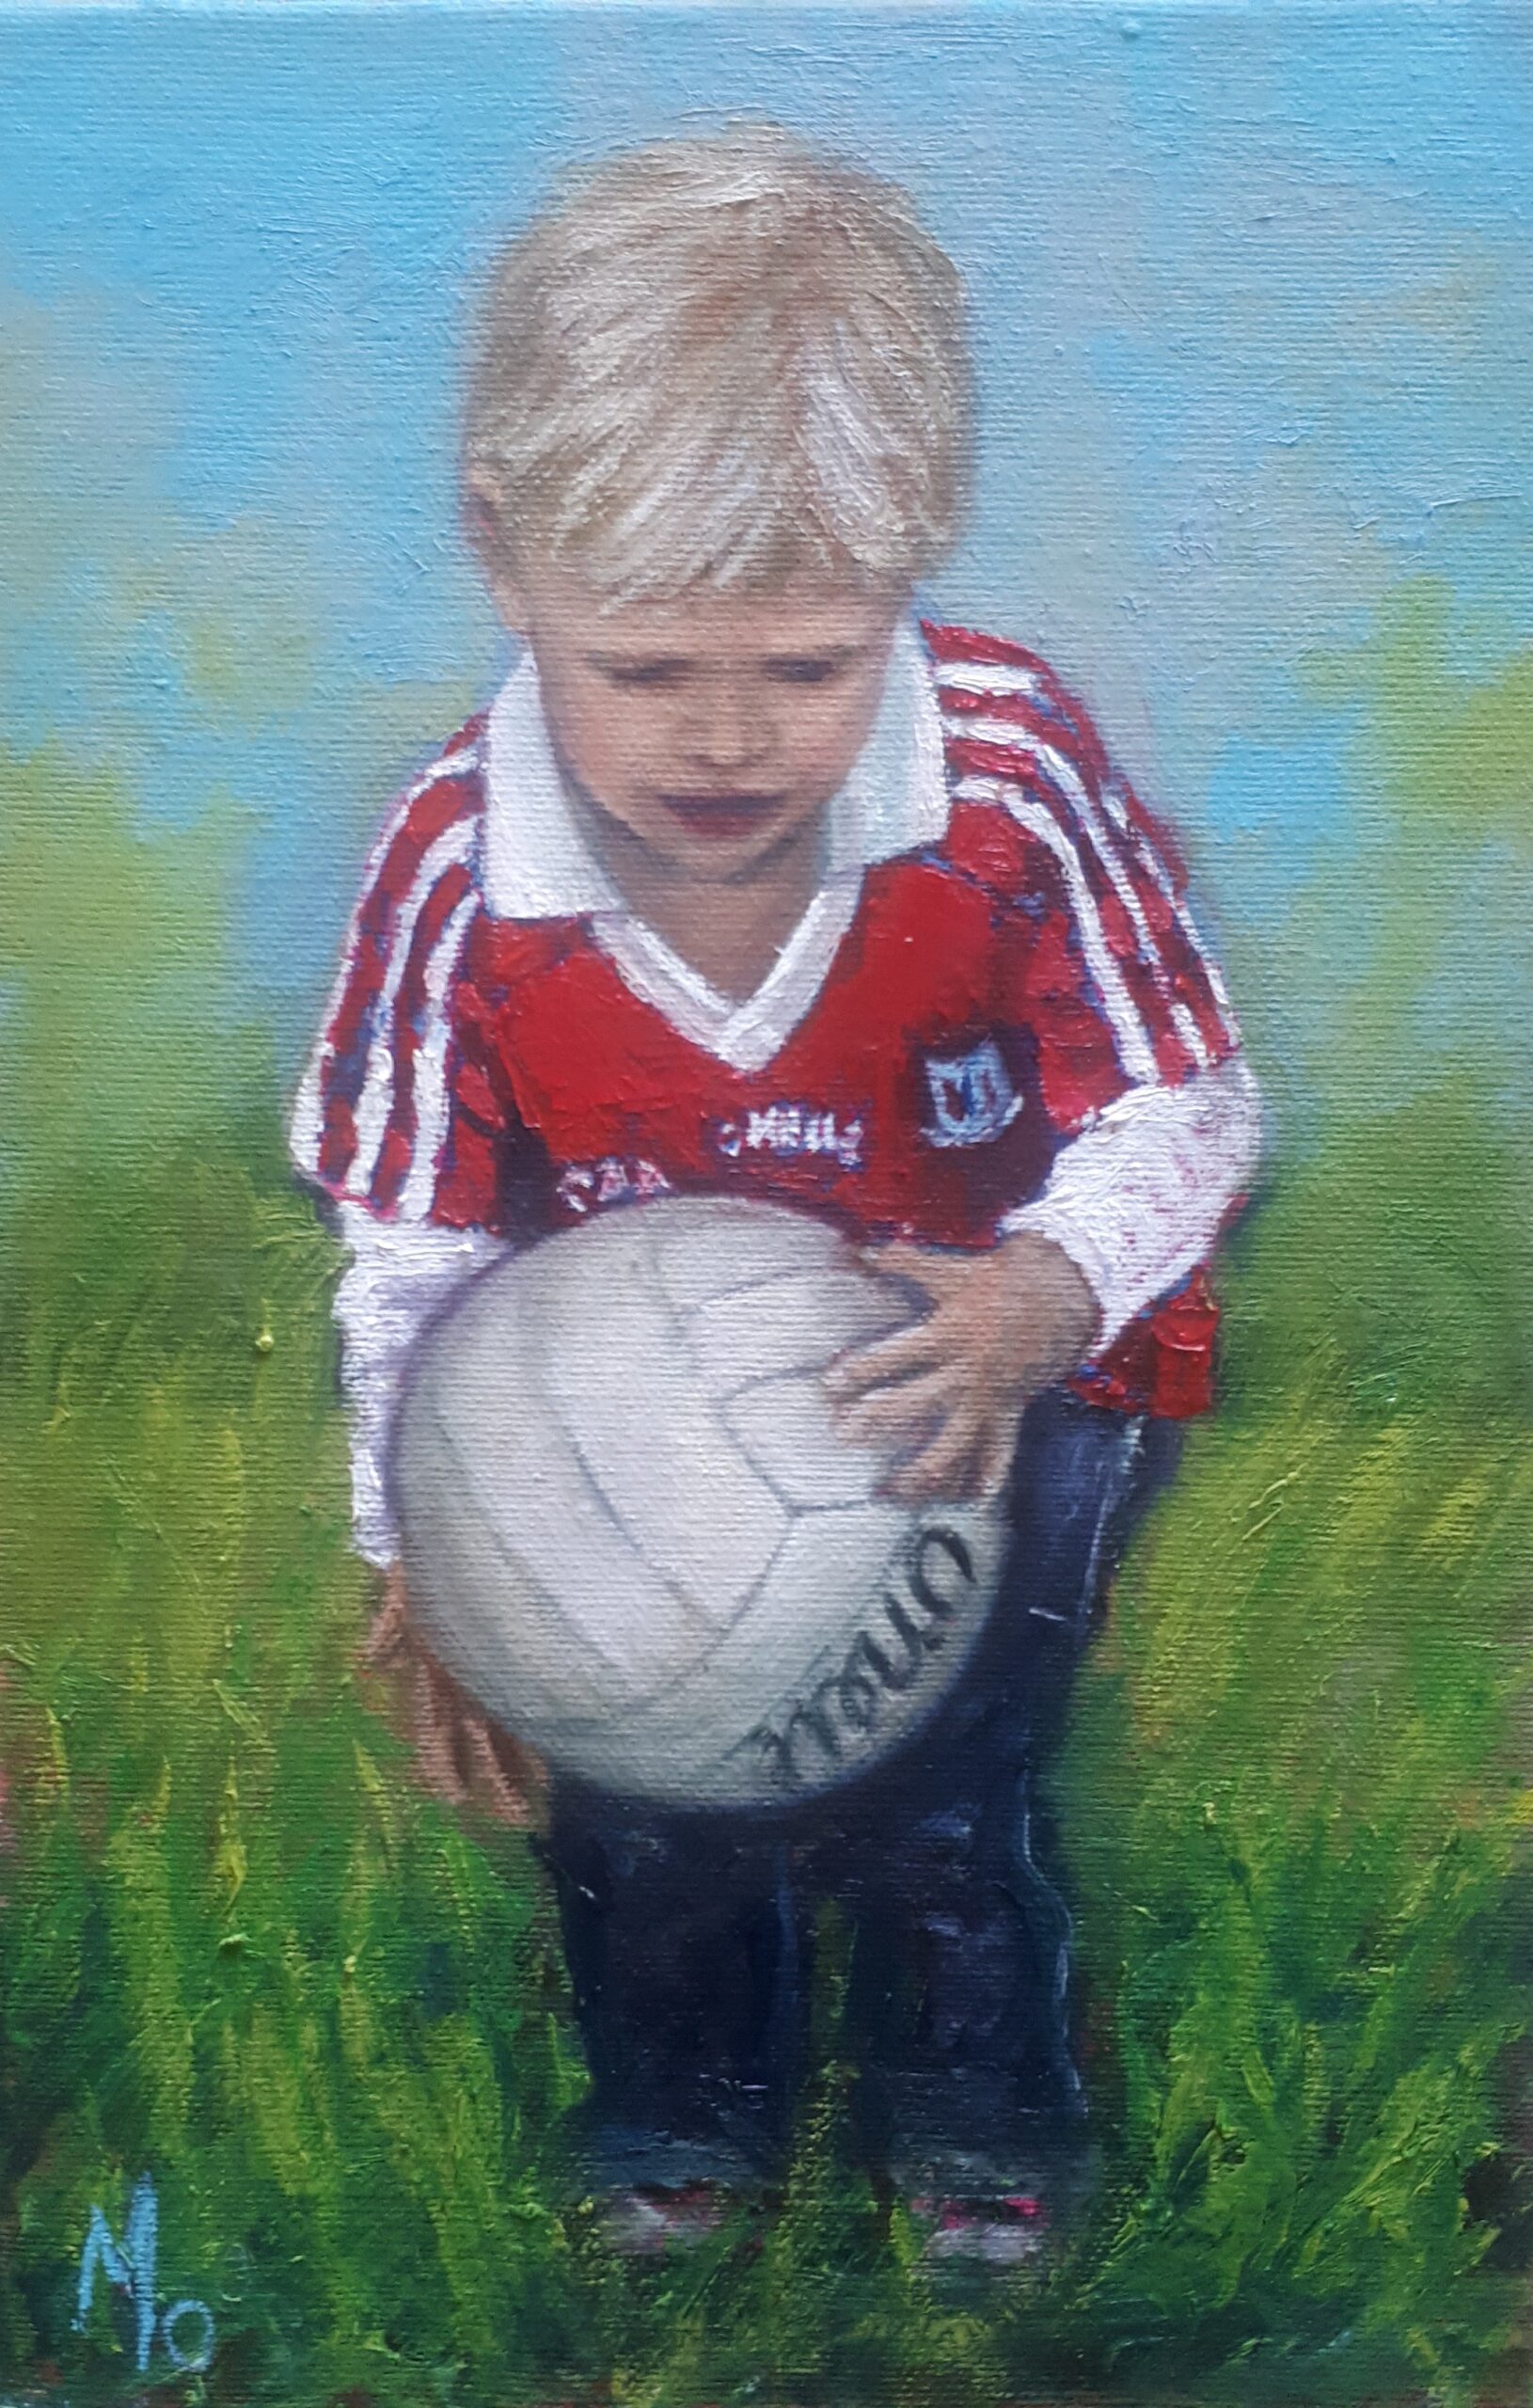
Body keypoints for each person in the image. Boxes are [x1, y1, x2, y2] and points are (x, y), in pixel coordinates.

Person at [290, 123, 1262, 2247]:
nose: (727, 734)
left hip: (1009, 1371)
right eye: (646, 664)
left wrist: (1035, 1295)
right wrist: (432, 1545)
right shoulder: (458, 869)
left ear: (905, 579)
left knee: (936, 1787)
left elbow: (1184, 1104)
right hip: (615, 1429)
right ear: (501, 554)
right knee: (637, 1784)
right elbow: (410, 1250)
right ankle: (678, 2126)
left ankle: (975, 2124)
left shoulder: (1001, 776)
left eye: (809, 663)